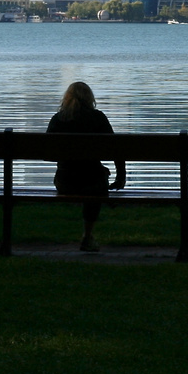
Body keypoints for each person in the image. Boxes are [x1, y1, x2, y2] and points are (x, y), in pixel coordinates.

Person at [47, 81, 126, 252]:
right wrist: (121, 177)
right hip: (92, 183)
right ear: (90, 98)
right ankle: (87, 236)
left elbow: (49, 155)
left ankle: (88, 237)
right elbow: (116, 149)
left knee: (96, 175)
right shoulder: (97, 118)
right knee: (97, 178)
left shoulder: (58, 119)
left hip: (64, 182)